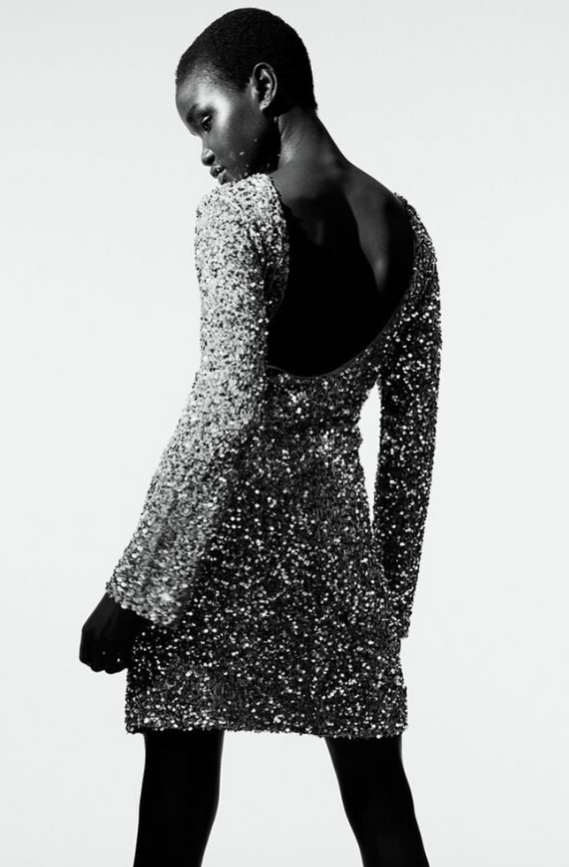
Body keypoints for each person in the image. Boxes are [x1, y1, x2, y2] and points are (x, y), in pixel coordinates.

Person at [79, 8, 442, 866]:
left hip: (210, 556)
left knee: (177, 784)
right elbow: (410, 443)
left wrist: (135, 588)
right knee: (378, 793)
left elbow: (226, 404)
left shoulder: (235, 216)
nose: (204, 151)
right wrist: (385, 607)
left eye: (204, 119)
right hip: (340, 561)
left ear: (263, 88)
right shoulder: (411, 233)